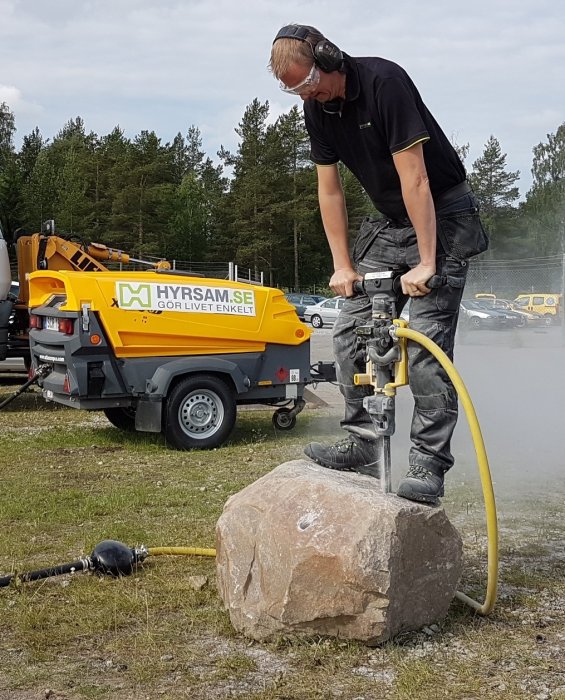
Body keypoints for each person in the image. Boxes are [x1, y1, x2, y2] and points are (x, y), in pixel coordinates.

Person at [269, 24, 488, 505]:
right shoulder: (317, 111)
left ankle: (427, 466)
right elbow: (330, 190)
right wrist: (342, 266)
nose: (308, 95)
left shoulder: (384, 83)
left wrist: (428, 262)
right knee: (350, 329)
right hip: (389, 222)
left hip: (443, 212)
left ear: (328, 57)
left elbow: (416, 179)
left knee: (427, 345)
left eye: (310, 83)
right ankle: (363, 444)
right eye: (296, 91)